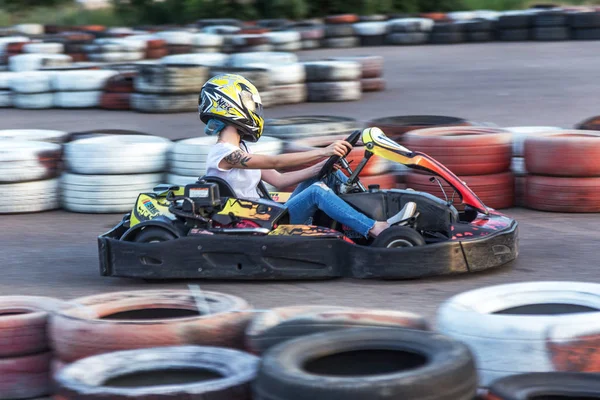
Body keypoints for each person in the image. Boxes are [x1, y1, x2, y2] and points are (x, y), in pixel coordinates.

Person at [198, 74, 414, 238]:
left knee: (324, 178)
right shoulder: (224, 154)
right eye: (249, 103)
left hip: (264, 214)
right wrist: (322, 151)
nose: (254, 110)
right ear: (230, 105)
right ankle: (376, 228)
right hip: (255, 222)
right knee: (316, 192)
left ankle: (373, 214)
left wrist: (321, 167)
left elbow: (280, 179)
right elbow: (276, 161)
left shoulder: (241, 149)